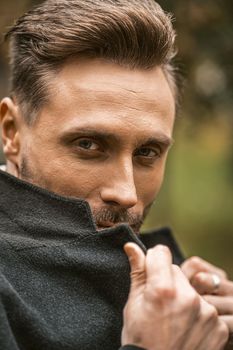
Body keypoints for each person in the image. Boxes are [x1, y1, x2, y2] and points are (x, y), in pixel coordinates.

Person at [0, 0, 232, 349]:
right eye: (89, 145)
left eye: (147, 153)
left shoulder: (180, 287)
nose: (126, 193)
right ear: (12, 133)